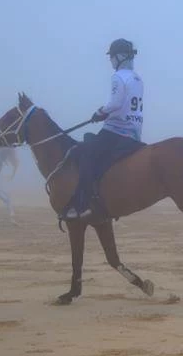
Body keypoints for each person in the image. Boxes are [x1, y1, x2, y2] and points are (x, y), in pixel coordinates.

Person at [61, 39, 145, 221]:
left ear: (120, 57)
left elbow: (115, 103)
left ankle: (82, 205)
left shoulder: (118, 77)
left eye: (112, 57)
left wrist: (100, 112)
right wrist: (106, 113)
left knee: (85, 154)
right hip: (135, 131)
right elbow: (124, 105)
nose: (111, 61)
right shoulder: (137, 78)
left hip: (116, 130)